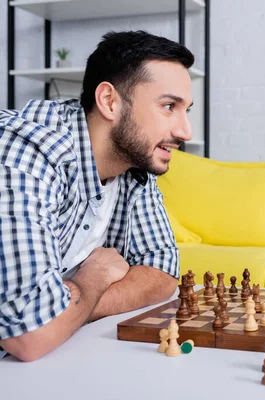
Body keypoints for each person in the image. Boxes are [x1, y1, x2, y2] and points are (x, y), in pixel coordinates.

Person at [0, 30, 195, 361]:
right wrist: (97, 275)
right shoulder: (27, 152)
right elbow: (29, 336)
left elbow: (162, 270)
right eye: (168, 106)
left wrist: (68, 310)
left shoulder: (133, 160)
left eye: (185, 109)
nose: (185, 131)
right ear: (109, 101)